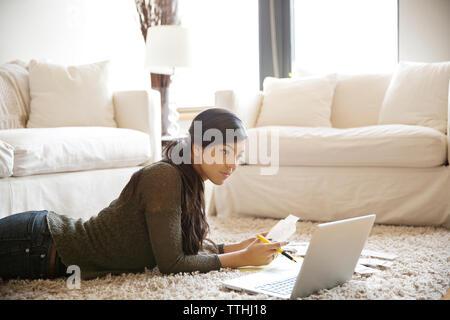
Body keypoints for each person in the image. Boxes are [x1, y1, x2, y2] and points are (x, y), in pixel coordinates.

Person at [0, 108, 286, 281]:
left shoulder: (193, 179)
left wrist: (235, 247)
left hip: (41, 243)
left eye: (238, 154)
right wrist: (242, 259)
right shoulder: (164, 177)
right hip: (39, 244)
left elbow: (179, 248)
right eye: (224, 151)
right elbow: (172, 264)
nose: (233, 164)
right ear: (197, 148)